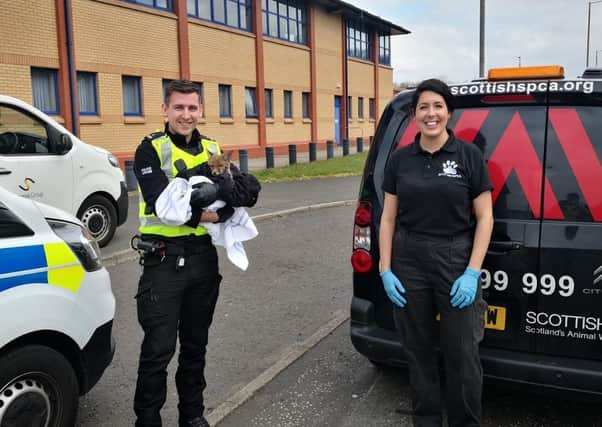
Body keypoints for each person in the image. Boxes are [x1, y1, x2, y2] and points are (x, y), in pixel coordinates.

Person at [379, 78, 494, 427]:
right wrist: (386, 269)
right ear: (414, 115)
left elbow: (485, 216)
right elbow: (387, 217)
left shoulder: (467, 155)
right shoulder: (400, 160)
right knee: (418, 351)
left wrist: (472, 272)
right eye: (423, 107)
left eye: (437, 106)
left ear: (448, 112)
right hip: (409, 258)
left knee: (462, 354)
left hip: (455, 257)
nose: (431, 114)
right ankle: (426, 420)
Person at [133, 80, 235, 427]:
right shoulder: (150, 149)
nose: (186, 114)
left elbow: (228, 193)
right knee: (158, 352)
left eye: (192, 108)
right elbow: (164, 205)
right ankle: (147, 421)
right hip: (163, 261)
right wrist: (210, 213)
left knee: (195, 347)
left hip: (203, 258)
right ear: (165, 110)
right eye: (179, 107)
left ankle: (192, 415)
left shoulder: (212, 147)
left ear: (200, 110)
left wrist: (224, 204)